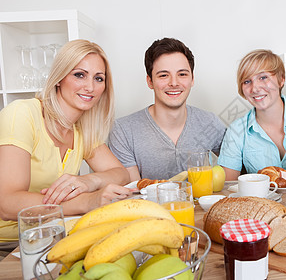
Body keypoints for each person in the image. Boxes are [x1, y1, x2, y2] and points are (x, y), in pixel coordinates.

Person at [0, 39, 131, 242]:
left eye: (99, 78)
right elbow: (7, 204)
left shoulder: (82, 129)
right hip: (10, 246)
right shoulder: (22, 114)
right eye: (80, 75)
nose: (90, 87)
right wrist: (87, 201)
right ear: (59, 77)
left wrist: (89, 181)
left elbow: (121, 174)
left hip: (53, 236)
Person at [108, 38, 226, 181]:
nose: (174, 83)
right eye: (164, 75)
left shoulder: (210, 122)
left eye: (182, 74)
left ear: (192, 79)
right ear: (150, 81)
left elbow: (236, 169)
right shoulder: (123, 131)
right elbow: (134, 195)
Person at [218, 49, 286, 181]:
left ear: (281, 80)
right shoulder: (236, 131)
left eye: (263, 77)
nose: (255, 88)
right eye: (247, 81)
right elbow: (228, 187)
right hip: (261, 201)